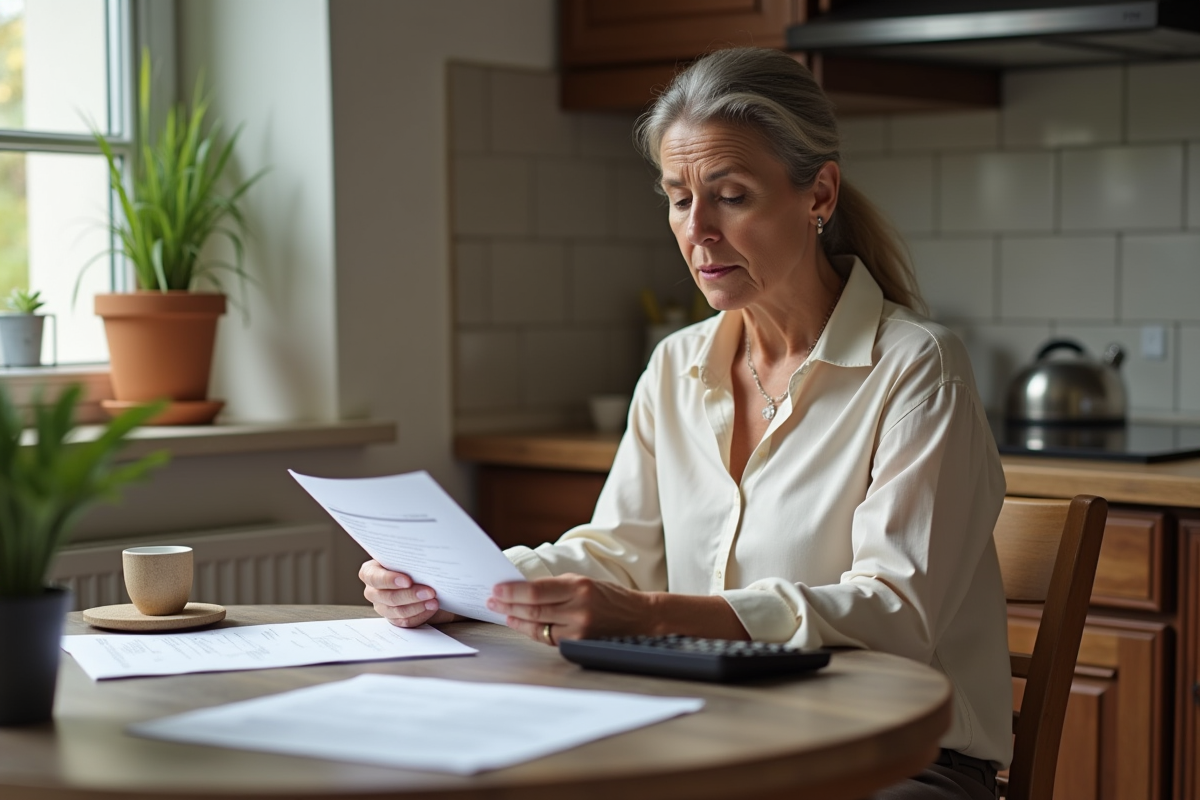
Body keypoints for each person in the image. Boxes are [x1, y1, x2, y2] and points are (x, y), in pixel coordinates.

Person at [361, 47, 1010, 800]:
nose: (697, 230)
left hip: (897, 762)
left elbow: (895, 613)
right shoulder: (676, 364)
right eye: (678, 198)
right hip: (716, 736)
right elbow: (616, 553)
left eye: (731, 195)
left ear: (818, 193)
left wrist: (647, 615)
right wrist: (455, 584)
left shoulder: (917, 365)